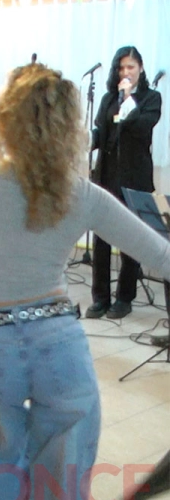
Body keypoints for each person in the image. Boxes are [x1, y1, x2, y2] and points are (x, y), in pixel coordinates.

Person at [0, 62, 170, 500]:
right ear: (71, 127)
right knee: (64, 475)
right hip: (59, 344)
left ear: (7, 118)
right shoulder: (81, 193)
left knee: (1, 455)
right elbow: (162, 256)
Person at [86, 46, 163, 320]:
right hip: (106, 174)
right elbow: (101, 131)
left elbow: (142, 127)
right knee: (102, 238)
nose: (126, 72)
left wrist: (128, 99)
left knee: (132, 238)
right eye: (121, 68)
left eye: (131, 67)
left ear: (140, 68)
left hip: (134, 177)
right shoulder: (109, 98)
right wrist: (86, 141)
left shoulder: (152, 98)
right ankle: (100, 297)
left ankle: (125, 297)